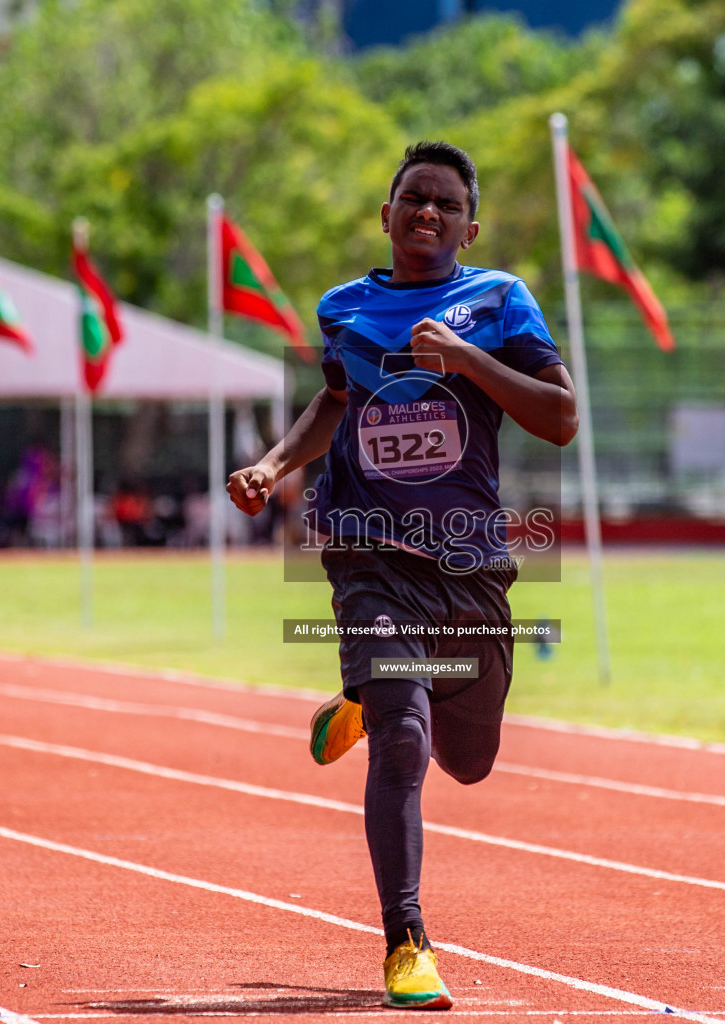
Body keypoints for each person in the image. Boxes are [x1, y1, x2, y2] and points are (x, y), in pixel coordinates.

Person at [227, 141, 576, 1010]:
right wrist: (274, 465)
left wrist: (466, 362)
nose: (428, 213)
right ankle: (406, 941)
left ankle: (364, 699)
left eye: (445, 204)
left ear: (469, 225)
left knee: (471, 760)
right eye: (413, 199)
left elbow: (563, 418)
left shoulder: (499, 301)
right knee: (406, 741)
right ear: (386, 215)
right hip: (366, 556)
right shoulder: (345, 309)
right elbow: (336, 401)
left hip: (468, 566)